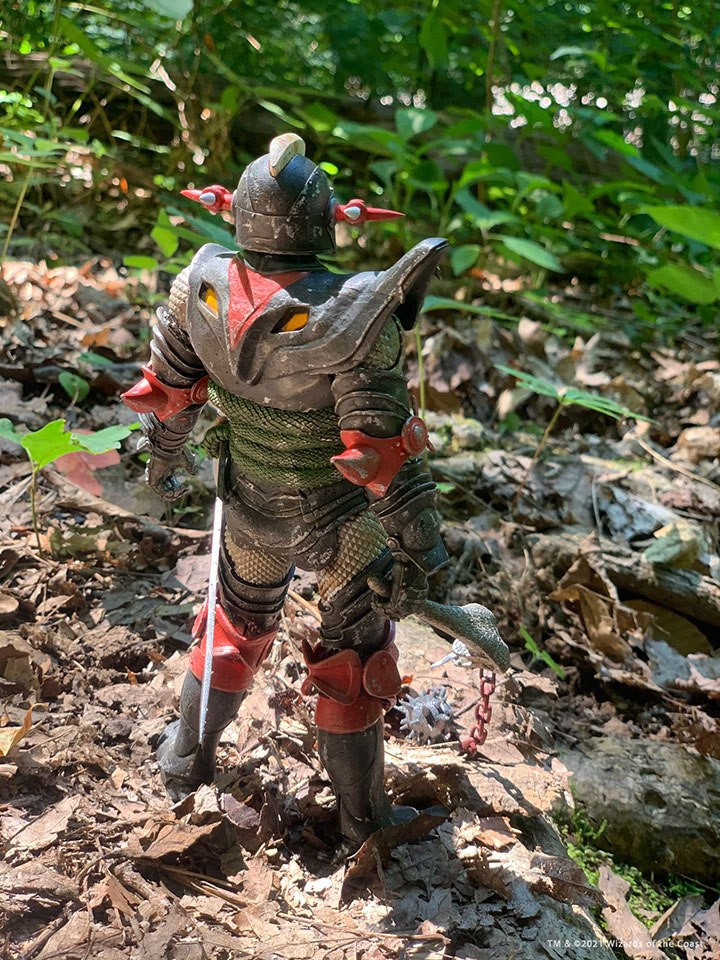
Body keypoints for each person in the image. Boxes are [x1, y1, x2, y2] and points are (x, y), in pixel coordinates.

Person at [122, 133, 450, 843]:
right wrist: (424, 554)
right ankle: (363, 823)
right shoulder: (357, 312)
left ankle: (185, 759)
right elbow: (383, 455)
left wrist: (162, 460)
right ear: (327, 219)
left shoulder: (198, 286)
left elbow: (168, 395)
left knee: (234, 625)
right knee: (355, 657)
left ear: (237, 212)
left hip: (248, 507)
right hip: (340, 524)